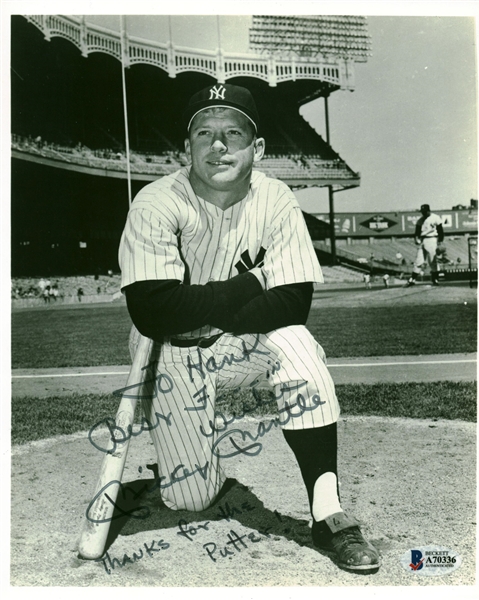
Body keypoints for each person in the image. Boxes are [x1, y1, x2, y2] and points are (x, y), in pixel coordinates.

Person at [118, 83, 380, 573]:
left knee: (298, 346)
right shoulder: (155, 201)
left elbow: (293, 303)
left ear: (256, 148)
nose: (218, 145)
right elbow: (154, 313)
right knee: (192, 498)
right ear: (187, 146)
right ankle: (188, 451)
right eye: (204, 133)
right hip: (168, 352)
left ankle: (329, 513)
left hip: (244, 346)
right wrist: (248, 284)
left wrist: (198, 305)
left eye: (232, 132)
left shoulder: (277, 198)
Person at [405, 204, 444, 286]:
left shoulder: (435, 217)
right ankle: (412, 279)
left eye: (425, 212)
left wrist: (440, 241)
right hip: (423, 240)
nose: (423, 213)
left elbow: (440, 230)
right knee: (418, 261)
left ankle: (435, 279)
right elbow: (417, 232)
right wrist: (416, 239)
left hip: (432, 239)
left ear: (429, 211)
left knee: (432, 261)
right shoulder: (420, 220)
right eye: (422, 212)